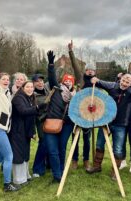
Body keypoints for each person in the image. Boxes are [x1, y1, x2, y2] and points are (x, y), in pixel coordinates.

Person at [87, 71, 131, 180]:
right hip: (106, 122)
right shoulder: (112, 86)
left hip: (121, 124)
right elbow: (100, 83)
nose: (124, 83)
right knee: (100, 144)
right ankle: (96, 166)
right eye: (123, 80)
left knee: (118, 149)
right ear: (120, 80)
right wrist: (94, 79)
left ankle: (115, 171)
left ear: (130, 83)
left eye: (127, 82)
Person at [44, 50, 76, 183]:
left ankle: (61, 172)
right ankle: (56, 175)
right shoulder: (56, 89)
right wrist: (51, 64)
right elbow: (51, 77)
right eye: (66, 81)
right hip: (52, 122)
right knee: (52, 150)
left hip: (67, 124)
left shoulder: (75, 96)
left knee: (61, 149)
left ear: (73, 83)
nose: (68, 83)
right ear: (63, 81)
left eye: (70, 82)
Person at [9, 81, 45, 185]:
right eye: (27, 87)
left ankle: (25, 175)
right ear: (23, 88)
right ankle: (19, 179)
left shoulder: (30, 98)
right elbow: (23, 111)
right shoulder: (18, 98)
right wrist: (38, 108)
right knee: (19, 154)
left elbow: (31, 117)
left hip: (26, 131)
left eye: (31, 87)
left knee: (25, 153)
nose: (30, 89)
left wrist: (33, 132)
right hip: (17, 131)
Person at [68, 41, 95, 170]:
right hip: (77, 112)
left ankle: (86, 160)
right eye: (88, 70)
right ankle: (74, 160)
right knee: (75, 137)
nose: (90, 72)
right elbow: (75, 65)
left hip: (89, 114)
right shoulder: (81, 78)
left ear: (94, 72)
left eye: (92, 70)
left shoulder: (96, 82)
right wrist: (71, 51)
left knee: (87, 138)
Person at [31, 74, 51, 177]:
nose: (40, 83)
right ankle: (37, 168)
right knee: (43, 143)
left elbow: (52, 76)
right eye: (37, 81)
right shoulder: (32, 95)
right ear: (33, 83)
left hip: (52, 121)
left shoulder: (47, 89)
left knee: (50, 143)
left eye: (42, 81)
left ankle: (49, 164)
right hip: (41, 121)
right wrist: (33, 130)